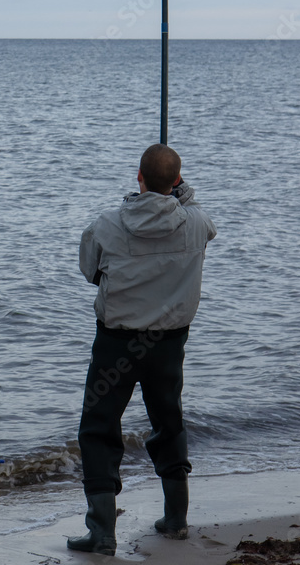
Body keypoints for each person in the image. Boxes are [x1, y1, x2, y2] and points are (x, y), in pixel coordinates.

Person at [67, 143, 217, 557]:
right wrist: (179, 193)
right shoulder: (196, 222)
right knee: (168, 420)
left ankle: (101, 533)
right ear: (176, 182)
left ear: (138, 177)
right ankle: (176, 519)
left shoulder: (107, 224)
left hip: (116, 343)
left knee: (98, 428)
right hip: (168, 343)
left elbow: (89, 271)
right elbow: (204, 221)